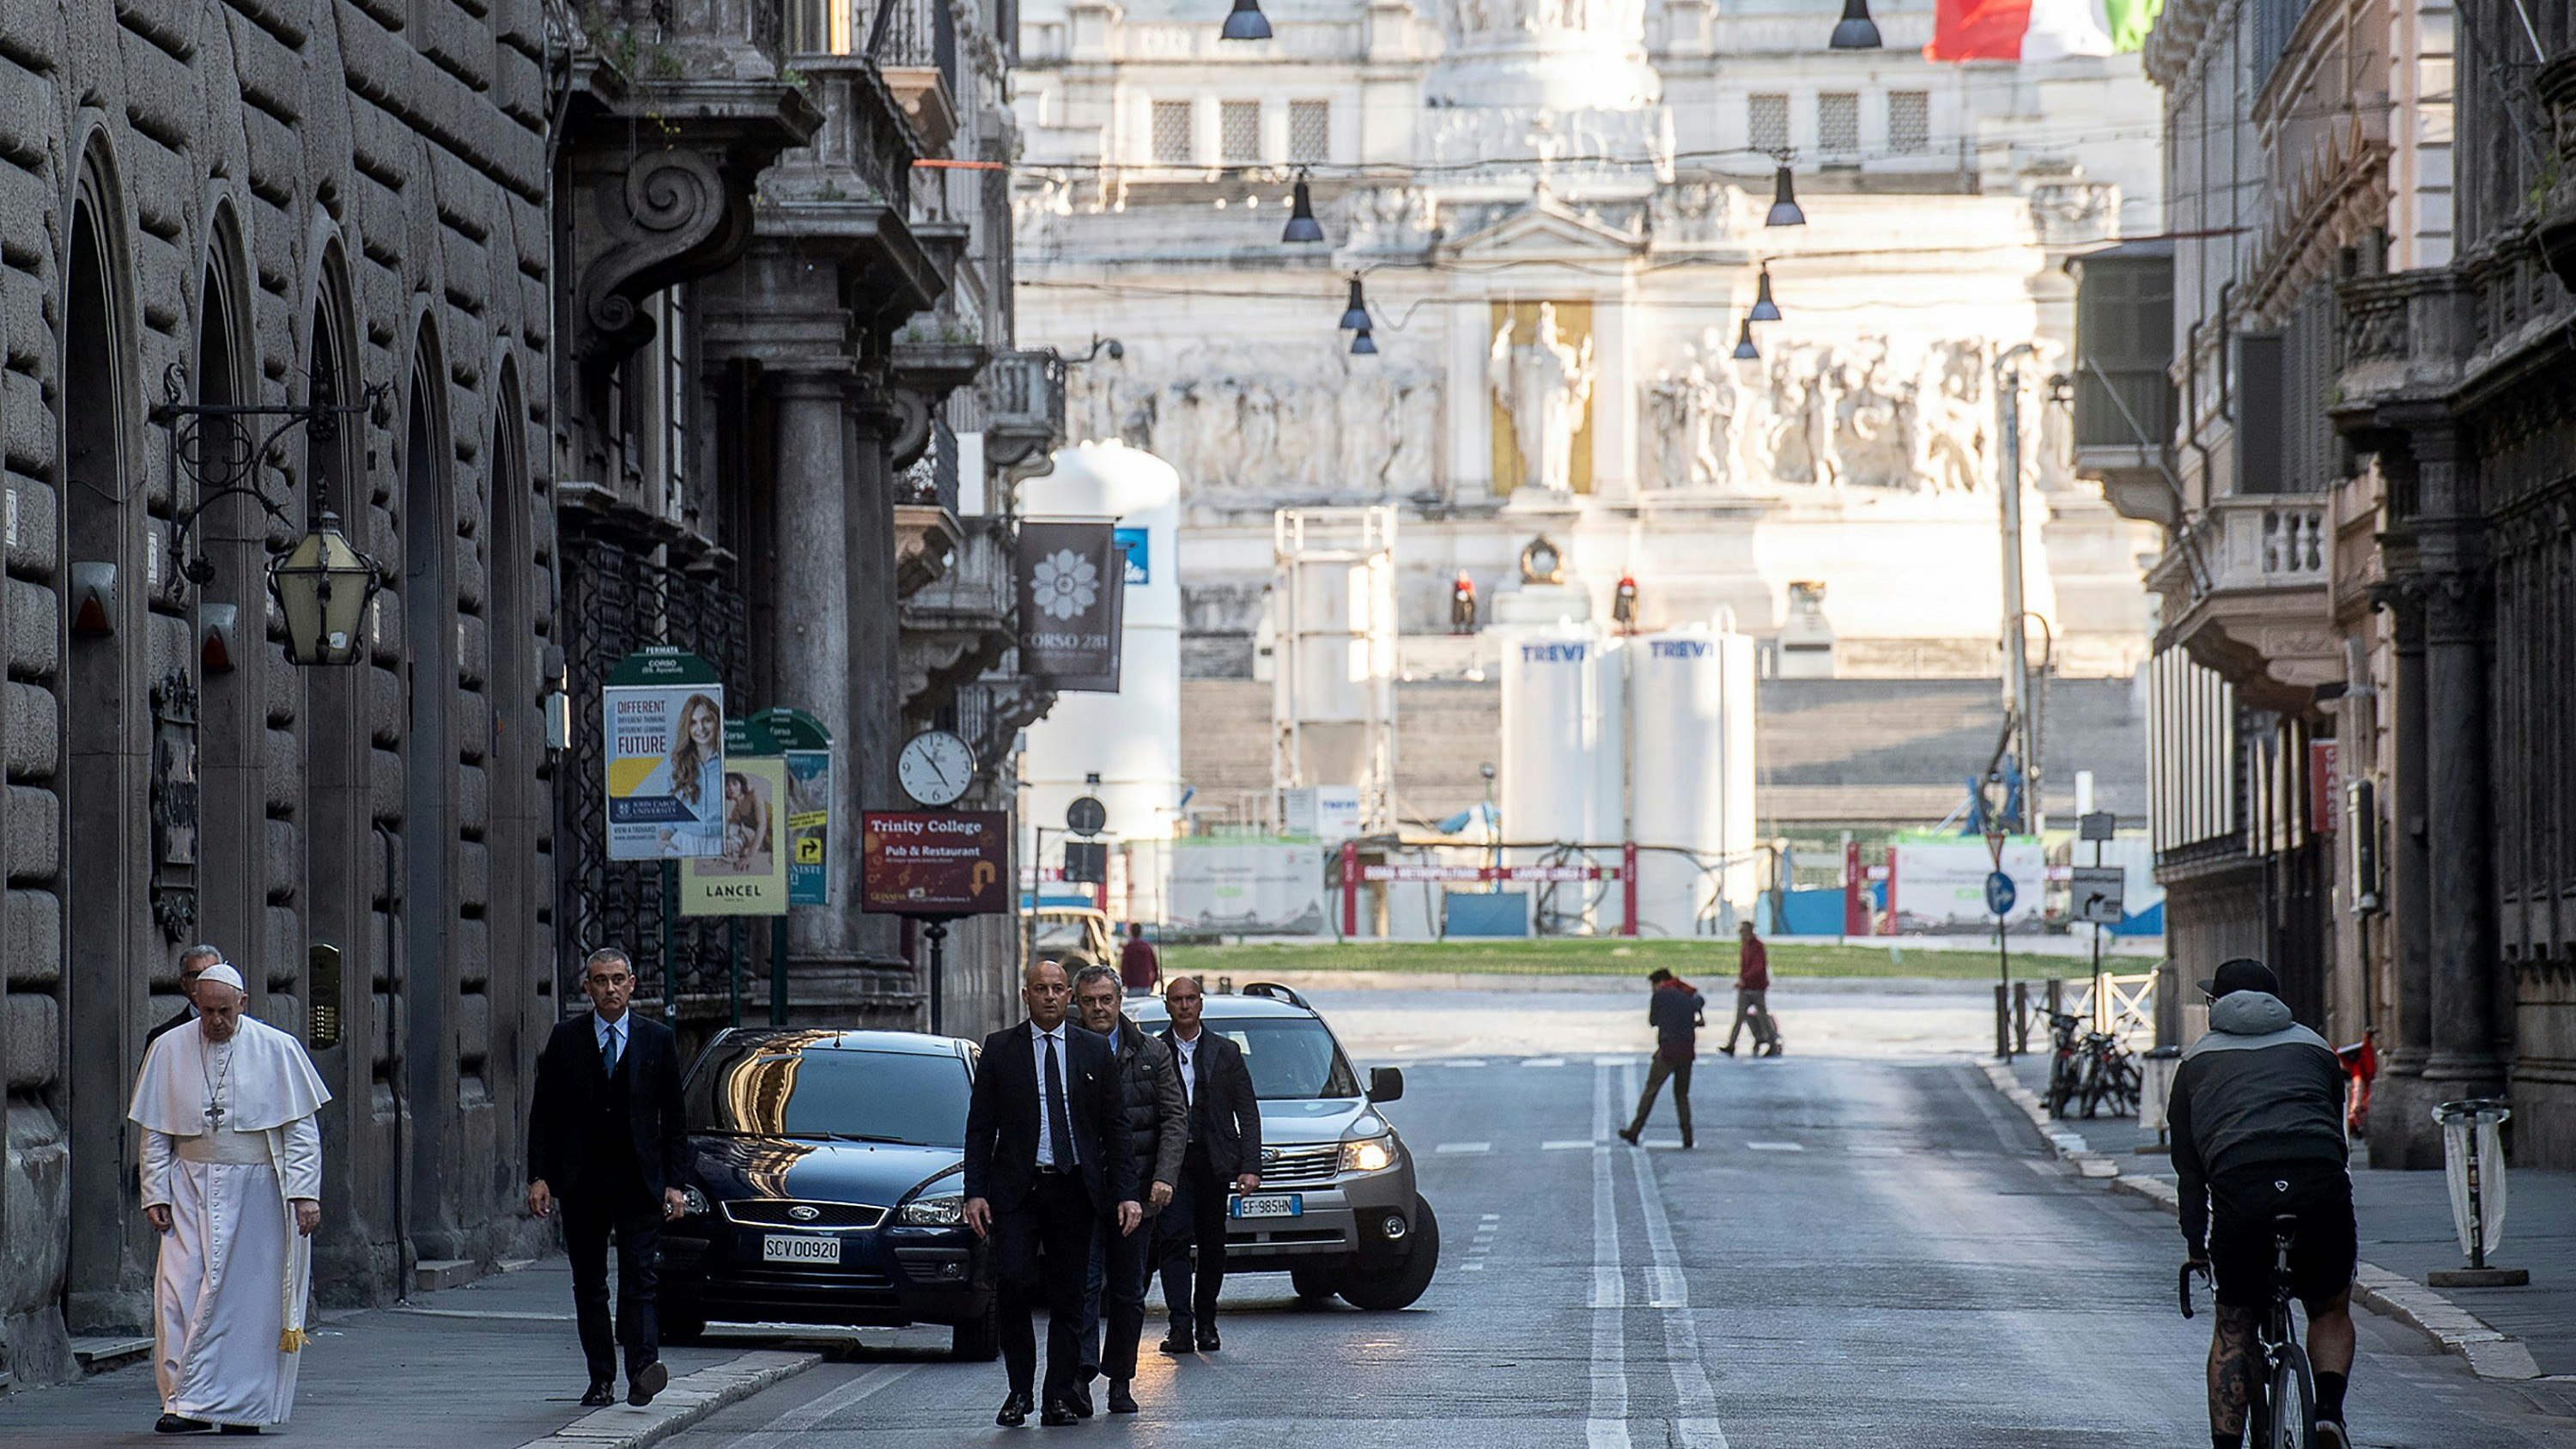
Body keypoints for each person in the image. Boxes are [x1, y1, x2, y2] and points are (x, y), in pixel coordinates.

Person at [127, 961, 331, 1434]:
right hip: (189, 1186)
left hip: (258, 1191)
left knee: (249, 1303)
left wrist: (305, 1195)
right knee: (178, 1295)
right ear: (195, 1005)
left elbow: (301, 1132)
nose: (215, 1022)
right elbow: (155, 1131)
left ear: (243, 1004)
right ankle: (182, 1404)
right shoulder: (168, 1048)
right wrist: (154, 1190)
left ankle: (241, 1409)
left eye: (224, 1011)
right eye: (206, 1011)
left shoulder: (278, 1049)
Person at [2170, 958, 2358, 1449]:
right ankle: (2329, 1415)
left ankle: (2228, 1446)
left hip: (2243, 1190)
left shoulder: (2195, 1064)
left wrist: (2197, 1244)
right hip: (2319, 1185)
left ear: (2216, 1005)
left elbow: (2190, 1173)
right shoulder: (2316, 1049)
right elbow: (2334, 1133)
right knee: (2330, 1307)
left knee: (2235, 1324)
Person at [963, 960, 1140, 1428]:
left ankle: (1057, 1394)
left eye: (1058, 989)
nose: (1049, 997)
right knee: (1016, 1284)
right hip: (1018, 1188)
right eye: (1040, 989)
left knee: (1070, 1296)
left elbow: (1116, 1129)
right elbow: (980, 1127)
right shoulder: (1000, 1049)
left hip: (1075, 1187)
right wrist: (974, 1193)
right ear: (1026, 995)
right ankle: (1018, 1390)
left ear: (1069, 997)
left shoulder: (1093, 1050)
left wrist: (1126, 1193)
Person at [526, 948, 689, 1410]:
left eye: (618, 980)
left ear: (633, 984)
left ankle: (642, 1370)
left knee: (641, 1277)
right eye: (600, 981)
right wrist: (539, 1176)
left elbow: (674, 1118)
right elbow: (544, 1114)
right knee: (590, 1282)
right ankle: (601, 1379)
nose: (610, 989)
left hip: (639, 1179)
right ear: (588, 988)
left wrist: (675, 1183)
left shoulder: (657, 1039)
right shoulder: (566, 1039)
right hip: (582, 1180)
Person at [1071, 964, 1188, 1415]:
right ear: (1076, 1005)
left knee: (1127, 1292)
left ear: (1120, 1002)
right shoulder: (1067, 1051)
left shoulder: (1152, 1052)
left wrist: (1164, 1177)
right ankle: (1080, 1377)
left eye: (1106, 1000)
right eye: (1089, 1001)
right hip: (1082, 1192)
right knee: (1082, 1287)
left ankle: (1121, 1379)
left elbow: (1175, 1119)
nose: (1099, 1009)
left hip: (1137, 1194)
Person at [1154, 975, 1261, 1355]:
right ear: (1167, 1005)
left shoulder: (1226, 1052)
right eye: (1177, 999)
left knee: (1213, 1244)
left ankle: (1207, 1323)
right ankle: (1180, 1326)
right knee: (1174, 1240)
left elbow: (1247, 1112)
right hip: (1173, 1163)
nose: (1184, 1005)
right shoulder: (1155, 1050)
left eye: (1190, 998)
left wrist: (1251, 1166)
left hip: (1214, 1160)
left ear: (1201, 1003)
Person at [1619, 968, 1705, 1148]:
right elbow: (1700, 1004)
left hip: (1667, 1050)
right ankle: (1687, 1136)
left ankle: (1635, 1130)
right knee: (1682, 1095)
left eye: (1653, 985)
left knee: (1651, 1090)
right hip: (1687, 1050)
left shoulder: (1660, 996)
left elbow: (1653, 1021)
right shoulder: (1687, 993)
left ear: (1659, 982)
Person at [144, 944, 228, 1051]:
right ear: (183, 983)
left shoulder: (248, 1031)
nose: (205, 980)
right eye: (195, 975)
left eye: (211, 973)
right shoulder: (162, 1037)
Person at [1719, 921, 1782, 1057]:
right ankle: (1731, 1044)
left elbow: (1758, 968)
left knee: (1763, 1016)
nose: (1742, 935)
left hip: (1756, 988)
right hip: (1746, 988)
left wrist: (1744, 979)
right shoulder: (1745, 946)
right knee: (1739, 1017)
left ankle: (1772, 1044)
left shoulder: (1758, 947)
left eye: (1743, 932)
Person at [1118, 922, 1160, 997]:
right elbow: (1154, 967)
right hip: (1146, 986)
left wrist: (1123, 983)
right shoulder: (1147, 947)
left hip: (1132, 986)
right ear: (1141, 932)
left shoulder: (1129, 948)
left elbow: (1124, 968)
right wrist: (1152, 983)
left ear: (1131, 932)